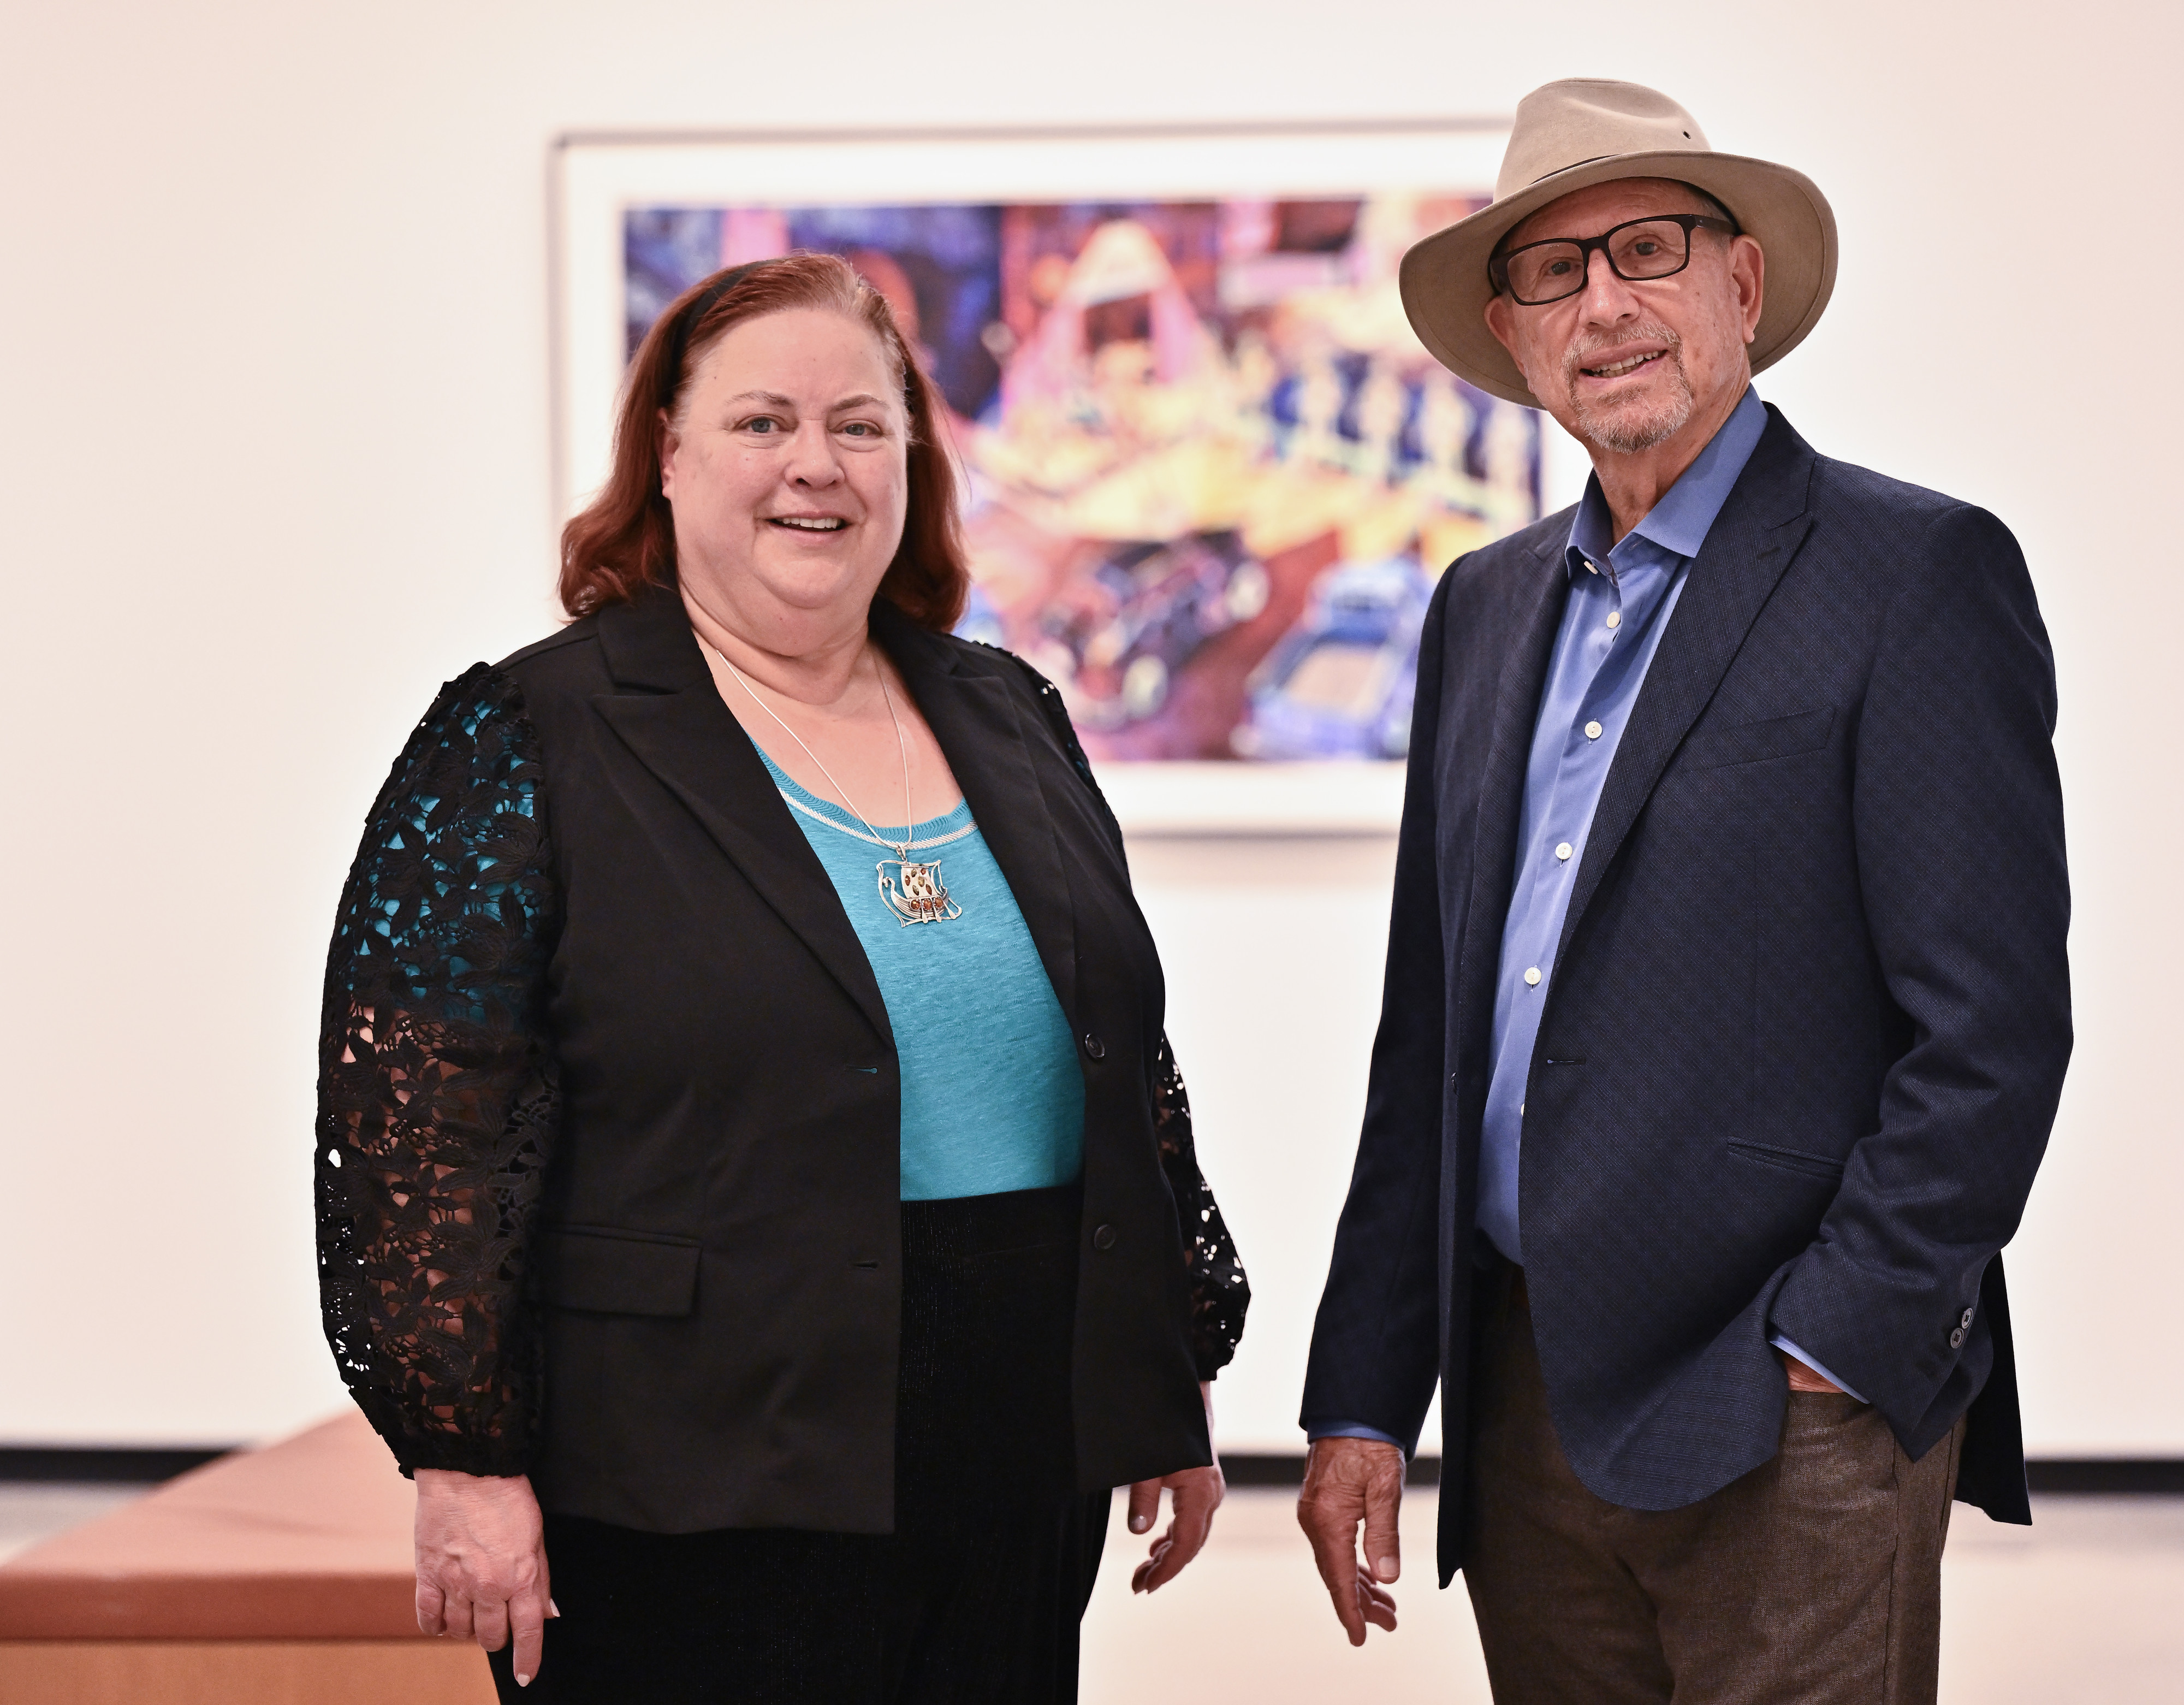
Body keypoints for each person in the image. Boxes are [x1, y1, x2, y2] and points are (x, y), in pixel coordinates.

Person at [314, 251, 1248, 1703]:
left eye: (859, 426)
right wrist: (464, 1454)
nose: (815, 465)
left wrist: (1157, 1360)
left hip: (1008, 1459)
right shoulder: (527, 735)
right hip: (681, 1485)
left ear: (912, 463)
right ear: (670, 457)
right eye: (762, 423)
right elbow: (416, 1127)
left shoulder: (1008, 712)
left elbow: (1121, 1056)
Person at [1295, 79, 2069, 1703]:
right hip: (1522, 1398)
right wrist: (1365, 1395)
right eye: (1556, 273)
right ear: (1512, 340)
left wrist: (1835, 1348)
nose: (1608, 304)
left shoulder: (1912, 575)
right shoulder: (1482, 608)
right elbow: (1433, 1028)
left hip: (1785, 1410)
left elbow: (1990, 1034)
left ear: (1744, 286)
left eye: (1648, 248)